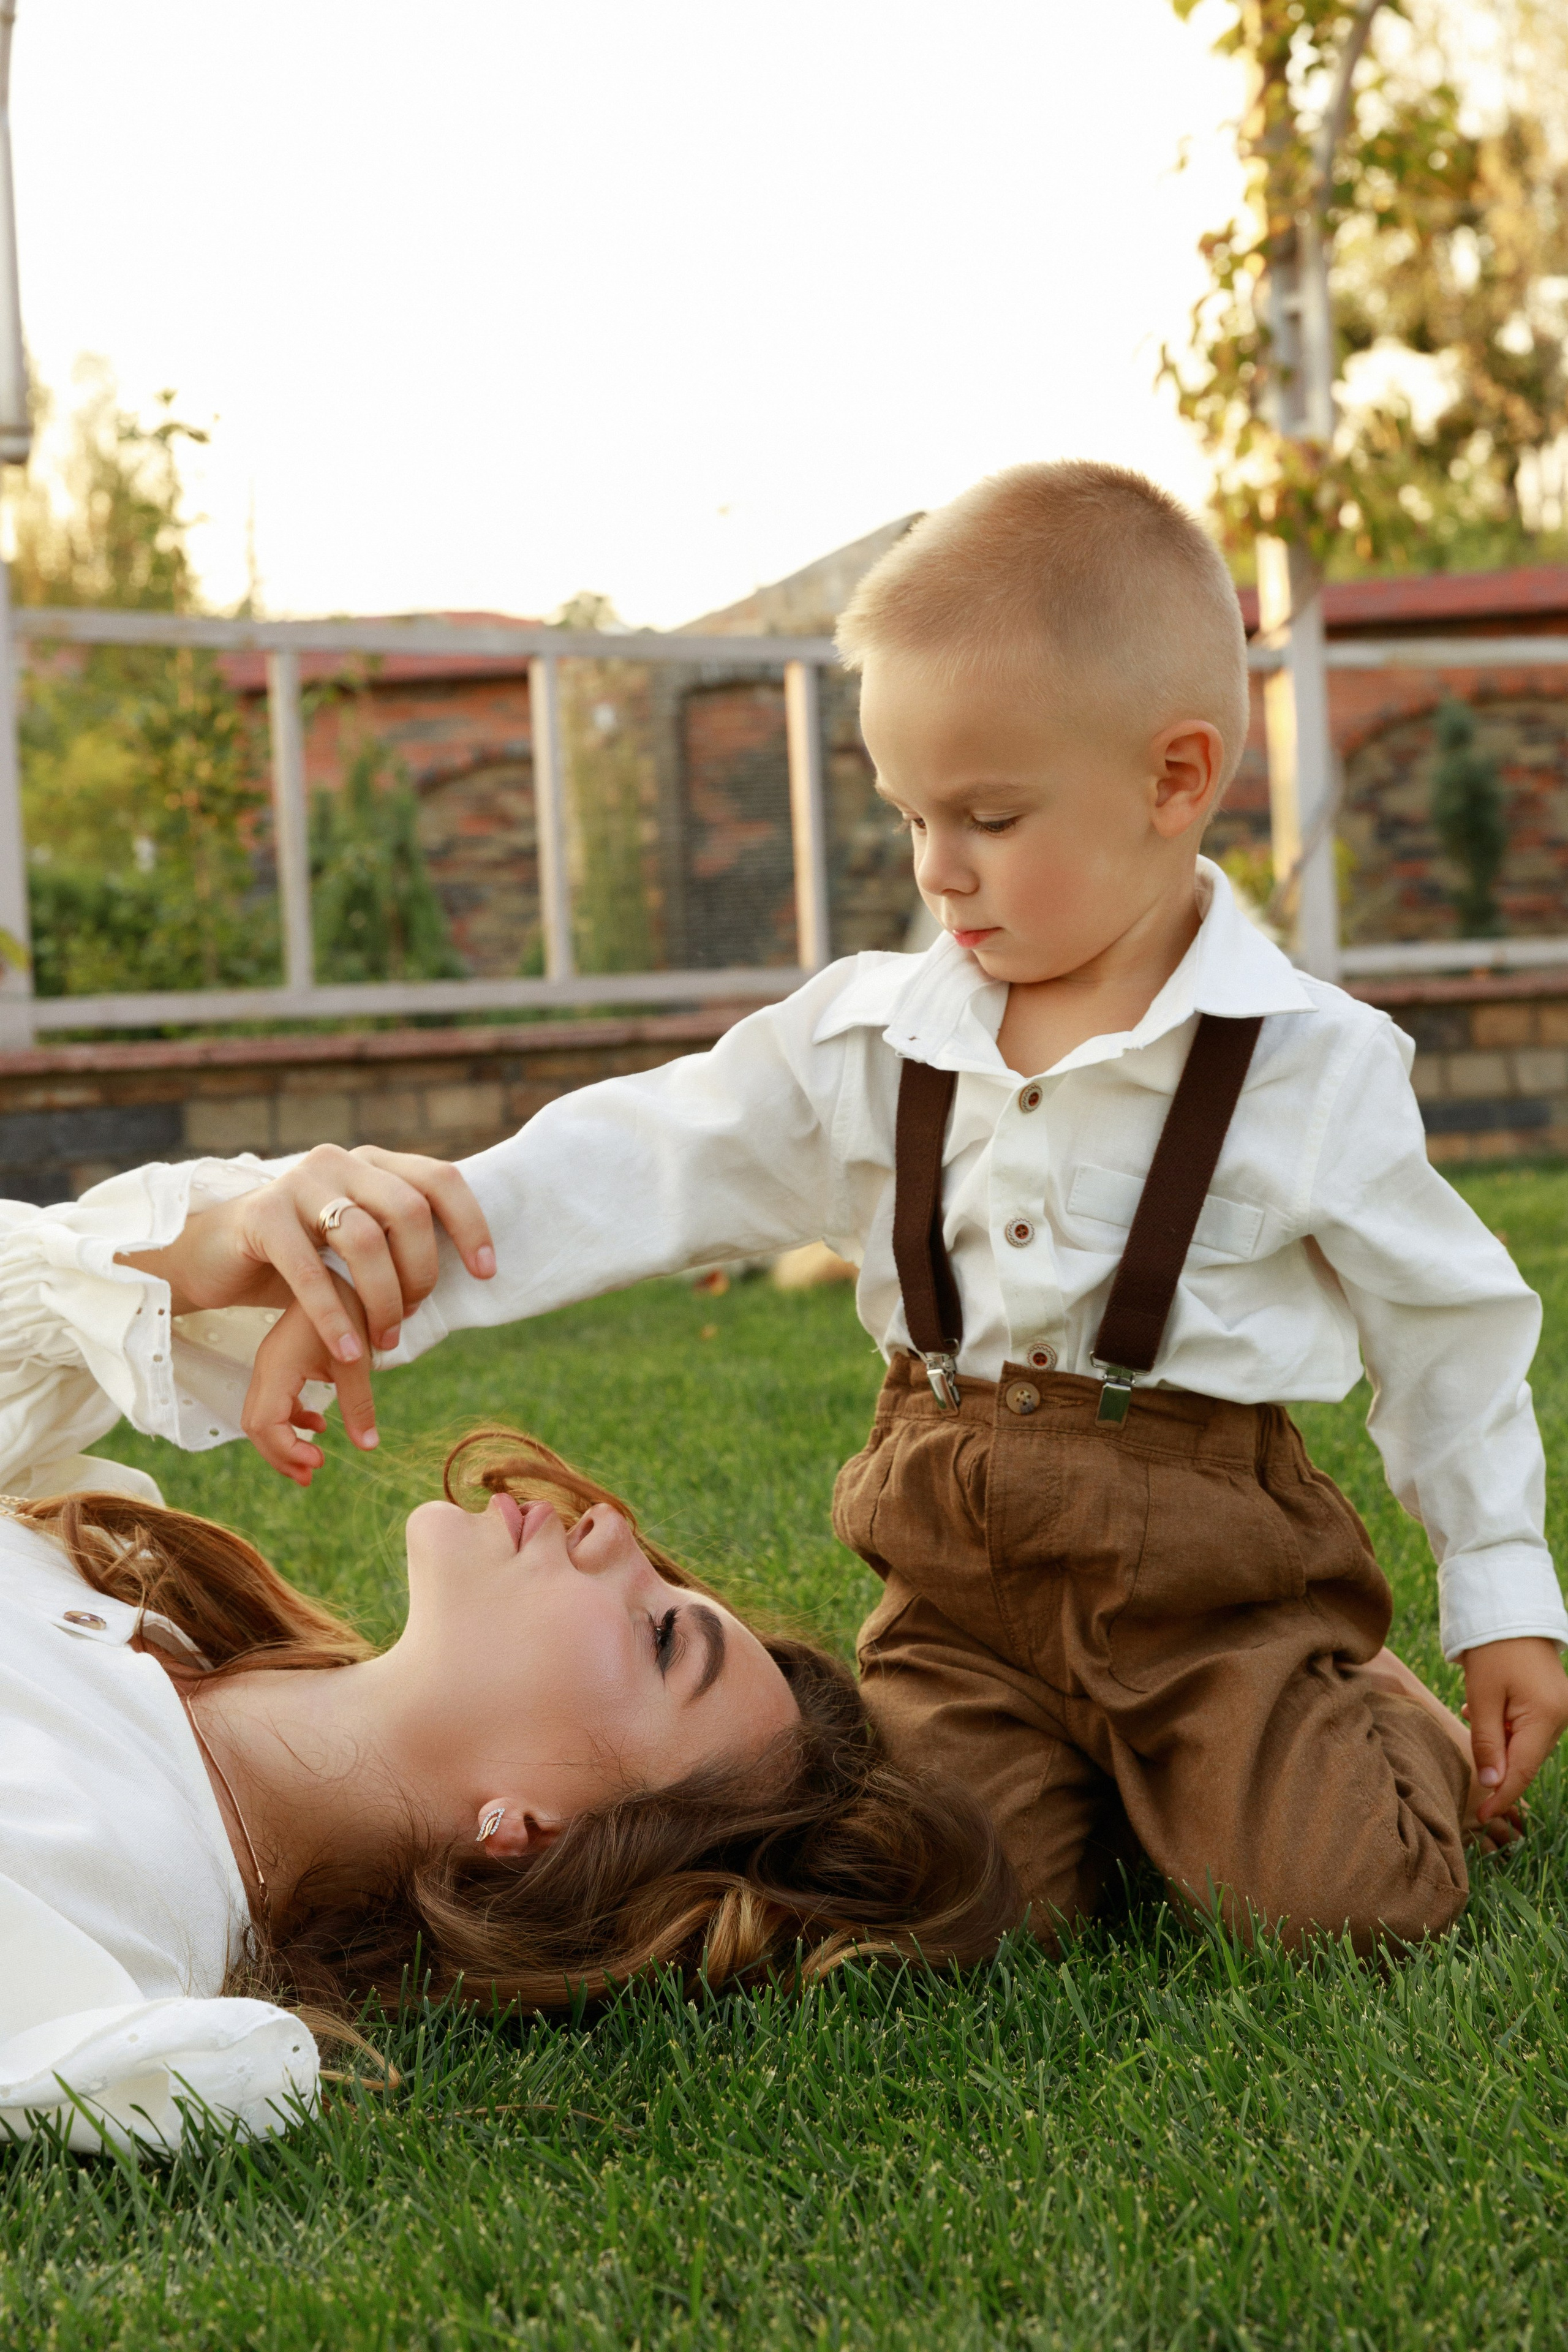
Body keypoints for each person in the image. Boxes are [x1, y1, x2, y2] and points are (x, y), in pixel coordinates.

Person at [121, 464, 1568, 1955]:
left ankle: (1344, 1710)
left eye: (987, 816)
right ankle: (1104, 1778)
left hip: (1212, 1596)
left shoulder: (1305, 1065)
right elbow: (641, 1160)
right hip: (959, 1599)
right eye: (909, 816)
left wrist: (1496, 1591)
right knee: (957, 1900)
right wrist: (384, 1276)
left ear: (1174, 780)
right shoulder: (869, 1044)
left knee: (1340, 1904)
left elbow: (1445, 1330)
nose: (937, 870)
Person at [0, 1167, 1015, 2152]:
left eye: (663, 1637)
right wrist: (190, 1255)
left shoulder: (96, 1895)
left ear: (531, 1835)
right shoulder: (141, 1598)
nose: (612, 1527)